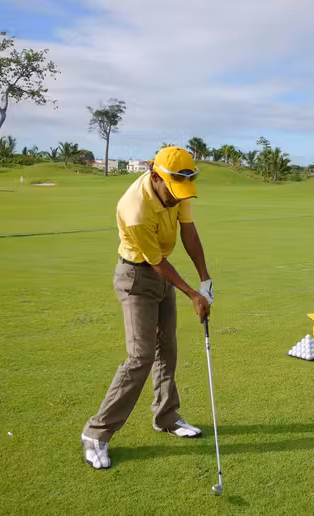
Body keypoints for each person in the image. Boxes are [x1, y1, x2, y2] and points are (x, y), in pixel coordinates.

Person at [81, 146, 213, 470]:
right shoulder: (135, 208)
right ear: (155, 177)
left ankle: (166, 416)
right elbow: (156, 264)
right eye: (172, 191)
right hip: (136, 277)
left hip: (162, 275)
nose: (176, 198)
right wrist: (193, 295)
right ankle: (96, 433)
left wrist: (205, 280)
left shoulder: (176, 190)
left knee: (167, 348)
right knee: (141, 356)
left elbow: (189, 232)